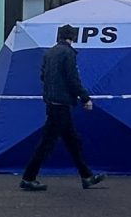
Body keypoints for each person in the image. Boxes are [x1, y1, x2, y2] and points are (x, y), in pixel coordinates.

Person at [21, 24, 104, 192]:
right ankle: (28, 177)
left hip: (52, 103)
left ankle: (87, 176)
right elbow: (73, 79)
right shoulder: (68, 54)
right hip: (62, 104)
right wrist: (85, 98)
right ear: (72, 37)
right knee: (47, 143)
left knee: (72, 141)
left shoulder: (49, 53)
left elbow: (43, 76)